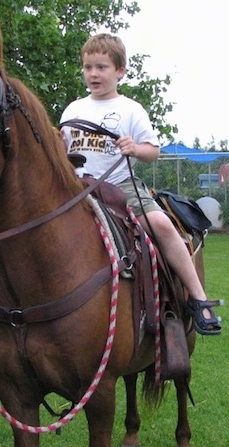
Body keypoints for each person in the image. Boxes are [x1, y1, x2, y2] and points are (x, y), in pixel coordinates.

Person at [60, 33, 221, 335]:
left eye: (101, 67)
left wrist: (135, 148)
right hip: (75, 190)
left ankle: (199, 299)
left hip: (119, 190)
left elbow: (154, 152)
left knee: (161, 224)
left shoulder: (130, 109)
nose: (93, 74)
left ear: (120, 71)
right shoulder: (73, 110)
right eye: (88, 67)